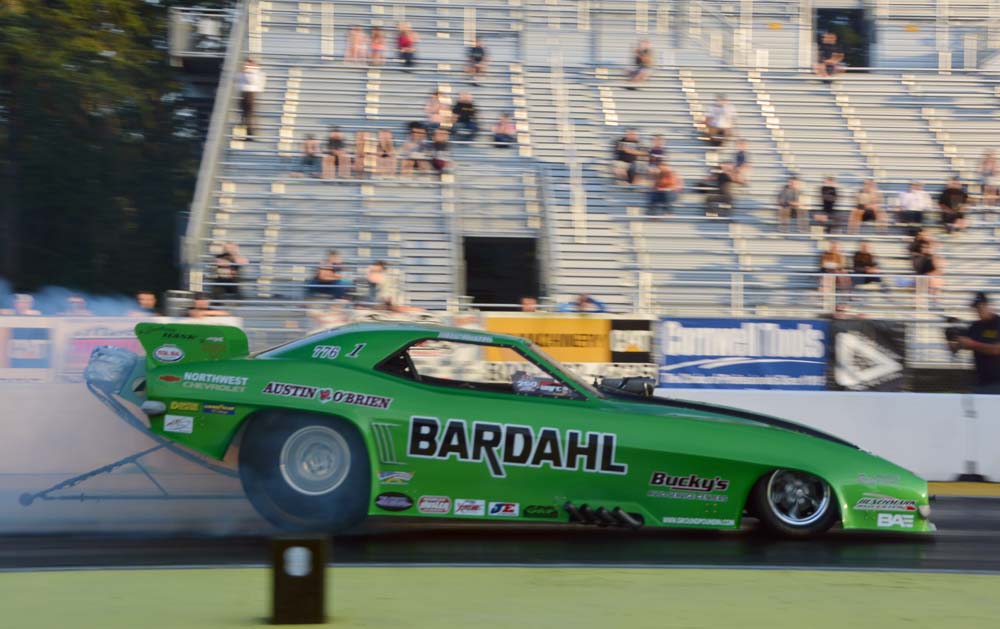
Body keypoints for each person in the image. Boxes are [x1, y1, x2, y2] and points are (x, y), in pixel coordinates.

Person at [952, 292, 1000, 393]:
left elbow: (997, 349)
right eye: (975, 308)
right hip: (980, 383)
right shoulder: (975, 326)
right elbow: (955, 348)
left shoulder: (998, 323)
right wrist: (952, 338)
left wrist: (972, 344)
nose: (977, 311)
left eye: (980, 307)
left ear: (988, 305)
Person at [237, 58, 266, 139]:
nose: (246, 65)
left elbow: (253, 81)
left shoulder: (256, 72)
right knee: (244, 114)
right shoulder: (245, 71)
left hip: (251, 93)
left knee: (249, 114)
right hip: (244, 93)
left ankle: (251, 134)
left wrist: (247, 72)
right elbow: (237, 79)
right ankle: (246, 133)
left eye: (248, 63)